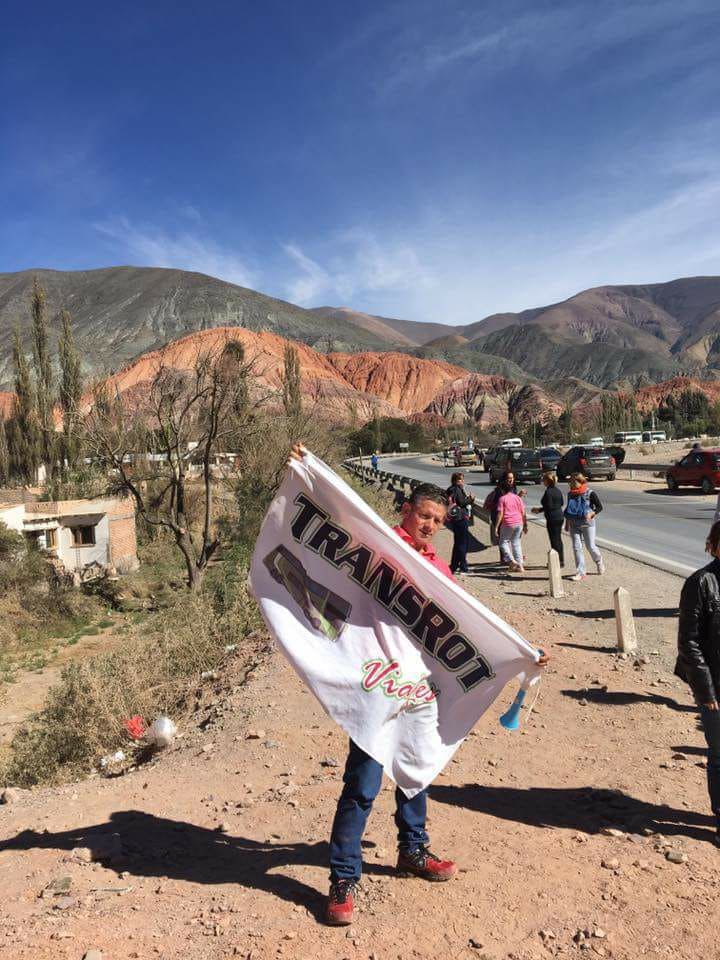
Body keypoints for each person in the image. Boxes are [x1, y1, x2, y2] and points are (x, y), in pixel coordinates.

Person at [288, 444, 549, 925]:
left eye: (437, 519)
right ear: (406, 512)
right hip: (376, 685)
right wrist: (309, 469)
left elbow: (469, 622)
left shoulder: (439, 567)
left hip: (420, 688)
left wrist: (523, 651)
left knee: (415, 770)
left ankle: (413, 850)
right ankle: (342, 879)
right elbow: (340, 515)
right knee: (362, 784)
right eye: (423, 515)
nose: (429, 524)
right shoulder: (378, 546)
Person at [676, 521, 720, 845]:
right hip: (715, 687)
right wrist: (705, 692)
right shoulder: (700, 583)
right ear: (714, 545)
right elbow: (689, 643)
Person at [564, 472, 605, 581]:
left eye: (573, 481)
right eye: (570, 481)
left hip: (587, 524)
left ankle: (598, 561)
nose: (570, 483)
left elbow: (600, 507)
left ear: (580, 481)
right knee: (577, 548)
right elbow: (569, 509)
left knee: (590, 546)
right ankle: (581, 572)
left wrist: (592, 513)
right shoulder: (570, 494)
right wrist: (567, 523)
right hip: (573, 524)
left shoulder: (590, 493)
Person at [494, 475, 527, 572]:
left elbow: (500, 514)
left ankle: (511, 561)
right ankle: (520, 566)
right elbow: (523, 512)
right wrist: (525, 524)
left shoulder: (502, 499)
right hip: (519, 522)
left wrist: (496, 527)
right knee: (516, 543)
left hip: (508, 523)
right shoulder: (517, 498)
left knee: (503, 543)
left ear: (502, 490)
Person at [532, 471, 564, 566]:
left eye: (544, 480)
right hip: (559, 516)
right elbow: (561, 503)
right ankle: (561, 560)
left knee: (554, 539)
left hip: (552, 518)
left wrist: (539, 510)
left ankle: (556, 561)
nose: (542, 482)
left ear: (547, 481)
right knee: (558, 539)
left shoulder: (548, 492)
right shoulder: (558, 490)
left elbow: (549, 506)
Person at [446, 471, 475, 575]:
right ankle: (463, 567)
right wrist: (470, 500)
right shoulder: (457, 489)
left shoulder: (451, 489)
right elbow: (461, 502)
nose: (462, 481)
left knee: (458, 543)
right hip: (460, 518)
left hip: (455, 518)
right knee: (463, 543)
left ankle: (454, 566)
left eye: (463, 479)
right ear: (455, 480)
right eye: (460, 479)